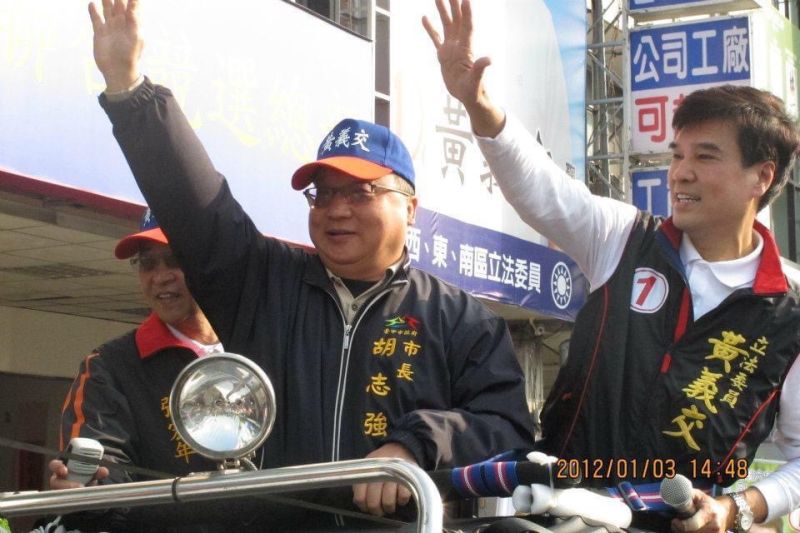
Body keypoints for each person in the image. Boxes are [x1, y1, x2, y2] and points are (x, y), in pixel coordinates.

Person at [87, 0, 536, 523]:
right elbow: (194, 204)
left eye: (361, 192)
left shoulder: (460, 320)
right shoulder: (262, 284)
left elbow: (507, 428)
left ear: (409, 207)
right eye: (323, 194)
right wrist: (129, 89)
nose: (336, 210)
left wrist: (413, 446)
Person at [423, 0, 800, 531]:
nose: (680, 173)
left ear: (761, 177)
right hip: (563, 514)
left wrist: (738, 508)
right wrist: (477, 103)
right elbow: (543, 191)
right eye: (676, 155)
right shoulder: (625, 238)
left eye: (705, 156)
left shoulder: (789, 315)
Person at [47, 209, 225, 529]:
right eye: (147, 263)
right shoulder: (107, 367)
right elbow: (105, 465)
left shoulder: (262, 344)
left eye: (174, 259)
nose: (160, 276)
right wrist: (90, 483)